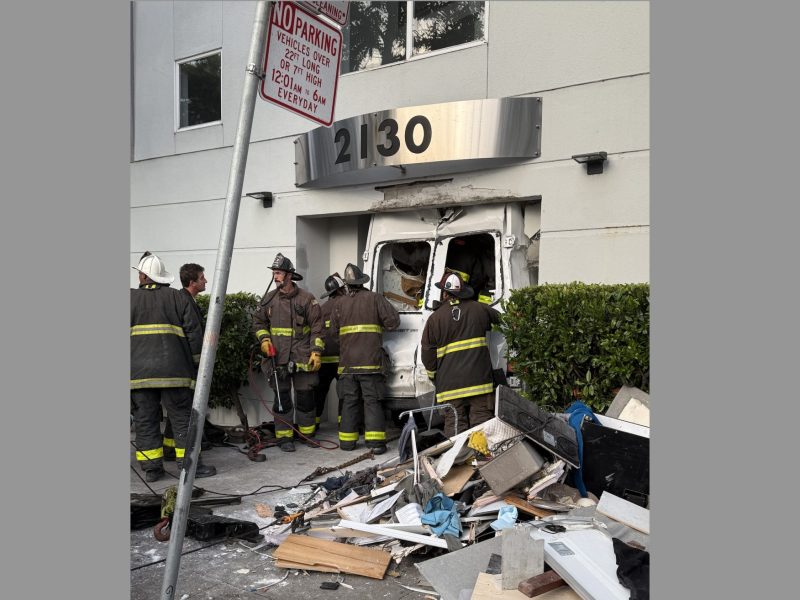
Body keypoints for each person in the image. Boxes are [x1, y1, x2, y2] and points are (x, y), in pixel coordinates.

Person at [130, 253, 217, 482]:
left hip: (139, 376)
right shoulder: (177, 298)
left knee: (145, 420)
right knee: (182, 419)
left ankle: (152, 469)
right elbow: (194, 335)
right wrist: (200, 366)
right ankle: (189, 466)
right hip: (176, 373)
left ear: (142, 275)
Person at [252, 253, 324, 452]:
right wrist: (264, 340)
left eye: (278, 273)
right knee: (282, 399)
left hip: (302, 358)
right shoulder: (268, 300)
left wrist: (316, 352)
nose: (275, 277)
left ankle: (307, 434)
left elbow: (318, 328)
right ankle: (285, 438)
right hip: (277, 359)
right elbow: (258, 322)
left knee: (306, 397)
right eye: (274, 273)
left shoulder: (307, 299)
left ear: (289, 275)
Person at [420, 272, 501, 438]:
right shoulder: (480, 309)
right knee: (481, 421)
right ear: (463, 291)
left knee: (455, 422)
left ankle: (457, 459)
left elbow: (427, 353)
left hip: (450, 385)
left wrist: (433, 374)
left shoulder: (434, 319)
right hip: (479, 381)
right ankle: (482, 458)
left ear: (444, 293)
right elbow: (501, 319)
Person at [332, 263, 400, 454]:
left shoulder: (339, 303)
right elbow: (393, 322)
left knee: (349, 402)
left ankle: (347, 442)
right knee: (372, 402)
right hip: (371, 364)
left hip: (347, 366)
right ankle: (376, 444)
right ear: (362, 282)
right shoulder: (375, 299)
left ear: (347, 285)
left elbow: (332, 333)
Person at [162, 263, 210, 461]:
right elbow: (193, 335)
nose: (205, 280)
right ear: (192, 283)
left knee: (177, 412)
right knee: (184, 412)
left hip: (179, 366)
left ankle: (169, 448)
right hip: (184, 367)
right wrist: (201, 365)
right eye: (202, 278)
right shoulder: (184, 301)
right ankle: (188, 461)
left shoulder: (184, 299)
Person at [313, 273, 347, 433]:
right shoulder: (346, 304)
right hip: (342, 359)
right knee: (345, 394)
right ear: (341, 289)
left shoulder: (321, 308)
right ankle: (343, 424)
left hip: (323, 359)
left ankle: (314, 423)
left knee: (319, 393)